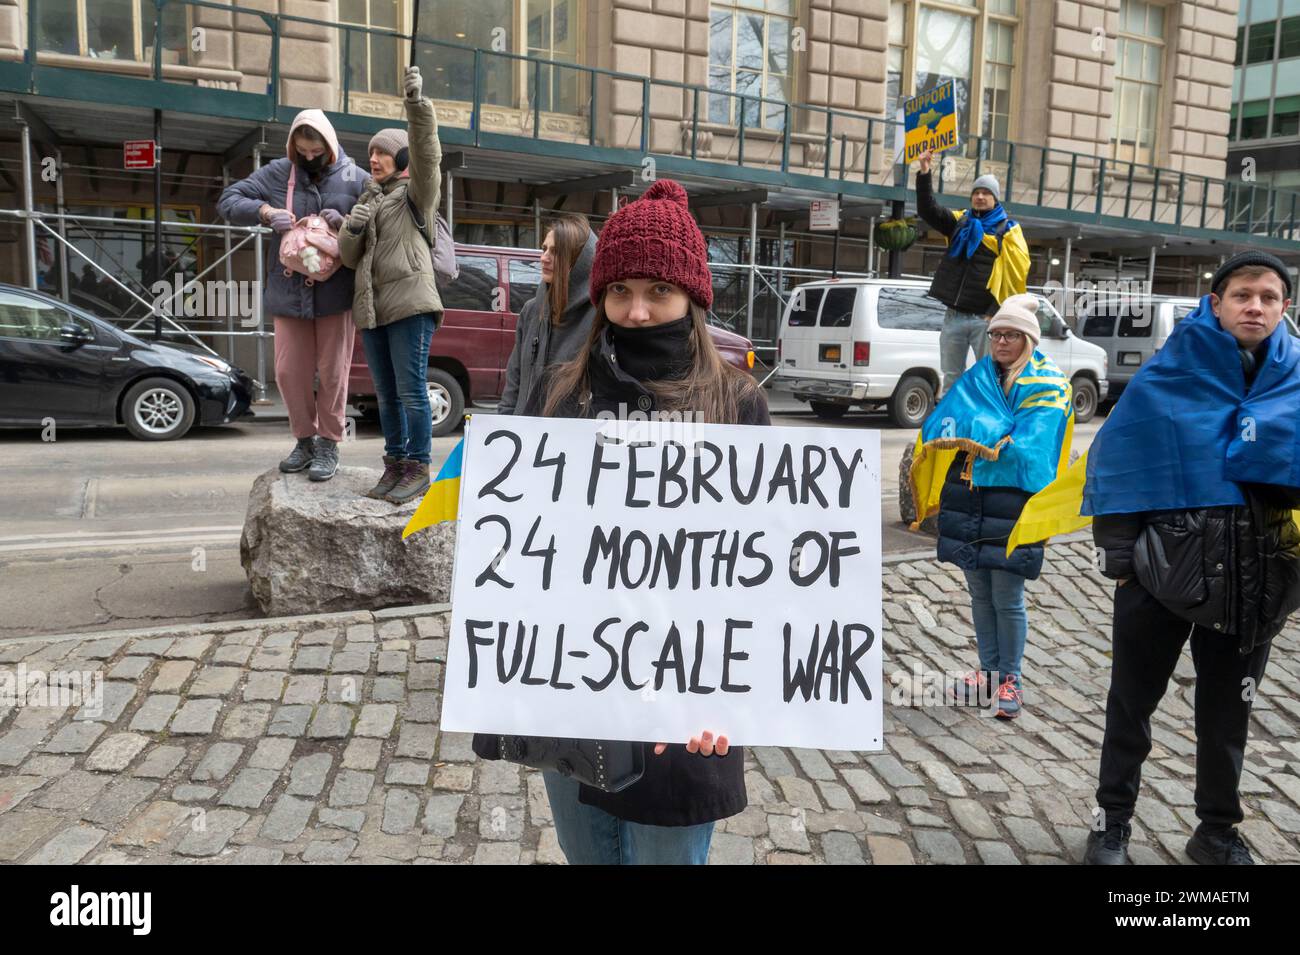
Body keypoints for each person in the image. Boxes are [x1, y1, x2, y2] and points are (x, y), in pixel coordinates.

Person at [477, 179, 769, 865]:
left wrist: (725, 697)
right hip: (578, 692)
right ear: (599, 298)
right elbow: (534, 546)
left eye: (658, 292)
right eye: (619, 292)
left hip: (682, 702)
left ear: (693, 299)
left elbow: (763, 570)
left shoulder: (738, 404)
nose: (636, 311)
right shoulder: (565, 392)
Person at [1083, 252, 1300, 866]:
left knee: (1228, 717)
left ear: (1285, 308)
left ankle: (1216, 833)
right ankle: (1111, 823)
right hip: (1160, 575)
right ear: (1216, 303)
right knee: (1132, 703)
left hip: (1255, 582)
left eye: (1268, 296)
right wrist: (1125, 561)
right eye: (1241, 295)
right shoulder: (1169, 373)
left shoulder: (1297, 383)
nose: (1254, 306)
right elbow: (1123, 457)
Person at [909, 293, 1073, 719]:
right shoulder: (977, 376)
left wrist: (979, 432)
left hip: (1013, 502)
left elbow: (1035, 446)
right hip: (969, 495)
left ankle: (1010, 678)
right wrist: (977, 432)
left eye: (1011, 335)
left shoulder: (1050, 384)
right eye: (996, 333)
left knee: (1008, 594)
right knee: (979, 592)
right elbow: (943, 420)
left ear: (1029, 339)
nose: (1001, 341)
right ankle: (987, 672)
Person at [218, 109, 367, 481]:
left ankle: (329, 442)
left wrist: (347, 222)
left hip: (337, 292)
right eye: (302, 151)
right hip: (287, 291)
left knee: (334, 373)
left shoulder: (356, 178)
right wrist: (265, 211)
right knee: (288, 373)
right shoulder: (277, 171)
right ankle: (304, 439)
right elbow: (228, 200)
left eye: (317, 151)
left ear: (330, 145)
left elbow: (380, 221)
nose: (310, 157)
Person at [339, 65, 444, 504]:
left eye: (383, 153)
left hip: (410, 307)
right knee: (385, 396)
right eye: (370, 154)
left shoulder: (416, 195)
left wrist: (416, 107)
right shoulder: (367, 200)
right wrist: (351, 229)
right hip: (373, 311)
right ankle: (394, 465)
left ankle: (418, 467)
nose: (374, 159)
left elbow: (428, 153)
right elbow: (348, 260)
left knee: (411, 392)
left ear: (400, 160)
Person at [914, 148, 1030, 395]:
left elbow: (1015, 277)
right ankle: (950, 429)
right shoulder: (960, 222)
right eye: (976, 192)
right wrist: (925, 172)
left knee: (989, 379)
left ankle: (986, 428)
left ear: (995, 199)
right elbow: (928, 210)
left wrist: (994, 312)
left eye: (986, 193)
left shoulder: (1008, 231)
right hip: (953, 316)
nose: (979, 197)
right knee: (951, 380)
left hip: (984, 320)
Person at [498, 214, 596, 417]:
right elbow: (514, 380)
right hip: (523, 438)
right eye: (544, 249)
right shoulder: (531, 310)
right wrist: (505, 421)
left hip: (569, 441)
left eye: (556, 251)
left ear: (580, 259)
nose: (543, 258)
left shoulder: (599, 316)